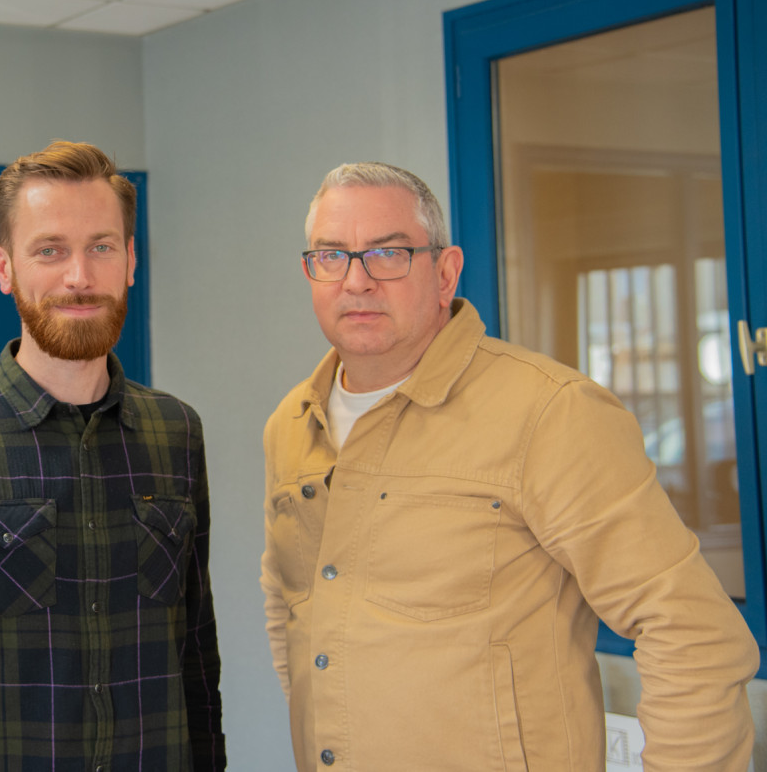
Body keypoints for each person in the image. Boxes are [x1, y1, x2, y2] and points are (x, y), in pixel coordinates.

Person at [260, 161, 759, 770]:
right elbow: (292, 607)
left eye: (388, 254)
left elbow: (692, 632)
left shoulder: (550, 412)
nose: (357, 282)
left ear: (445, 273)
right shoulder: (291, 422)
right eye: (331, 255)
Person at [0, 140, 225, 771]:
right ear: (4, 268)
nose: (79, 276)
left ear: (131, 260)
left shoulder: (175, 433)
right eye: (50, 250)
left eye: (101, 247)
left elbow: (194, 653)